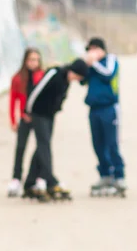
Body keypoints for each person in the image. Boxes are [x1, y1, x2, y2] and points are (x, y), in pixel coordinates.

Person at [23, 58, 89, 201]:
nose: (76, 79)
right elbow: (36, 91)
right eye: (77, 76)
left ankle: (30, 182)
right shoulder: (55, 73)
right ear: (72, 70)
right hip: (38, 113)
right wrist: (27, 110)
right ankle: (50, 181)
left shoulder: (66, 81)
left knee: (42, 146)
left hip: (49, 115)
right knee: (44, 145)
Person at [83, 37, 126, 196]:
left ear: (101, 49)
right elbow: (82, 80)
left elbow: (108, 74)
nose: (91, 53)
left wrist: (94, 63)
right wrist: (86, 66)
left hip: (109, 108)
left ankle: (119, 175)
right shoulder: (90, 67)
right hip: (94, 109)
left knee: (111, 143)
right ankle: (105, 174)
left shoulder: (110, 60)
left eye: (94, 49)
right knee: (97, 143)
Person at [7, 48, 44, 197]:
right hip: (25, 118)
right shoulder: (17, 78)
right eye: (30, 60)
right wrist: (14, 119)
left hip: (39, 118)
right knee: (20, 147)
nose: (33, 63)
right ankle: (16, 178)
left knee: (41, 148)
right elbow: (13, 100)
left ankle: (39, 176)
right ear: (25, 61)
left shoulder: (42, 76)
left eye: (36, 60)